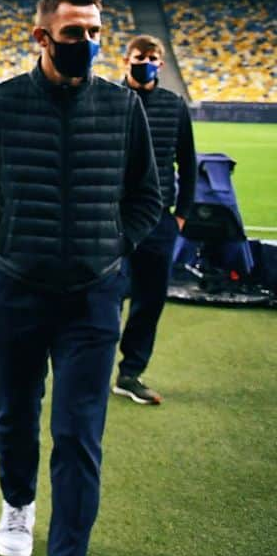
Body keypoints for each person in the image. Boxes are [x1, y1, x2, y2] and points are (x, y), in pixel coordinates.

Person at [0, 0, 161, 556]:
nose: (87, 43)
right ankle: (18, 504)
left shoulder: (121, 108)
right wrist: (4, 239)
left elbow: (147, 197)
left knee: (78, 434)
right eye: (73, 32)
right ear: (41, 37)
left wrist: (116, 245)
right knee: (15, 414)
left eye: (94, 30)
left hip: (92, 299)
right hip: (15, 291)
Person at [115, 34, 196, 405]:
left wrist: (181, 215)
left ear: (160, 63)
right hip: (113, 216)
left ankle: (130, 372)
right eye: (138, 56)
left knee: (150, 299)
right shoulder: (108, 99)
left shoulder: (174, 106)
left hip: (158, 220)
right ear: (126, 59)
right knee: (105, 295)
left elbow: (188, 163)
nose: (144, 61)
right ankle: (95, 365)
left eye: (150, 57)